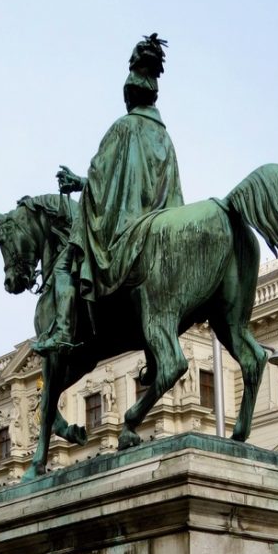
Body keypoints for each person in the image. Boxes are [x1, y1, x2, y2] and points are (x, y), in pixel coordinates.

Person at [32, 34, 183, 356]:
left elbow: (104, 181)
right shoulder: (163, 137)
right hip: (159, 220)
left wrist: (77, 182)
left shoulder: (124, 128)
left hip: (125, 227)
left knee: (64, 266)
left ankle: (60, 330)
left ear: (129, 95)